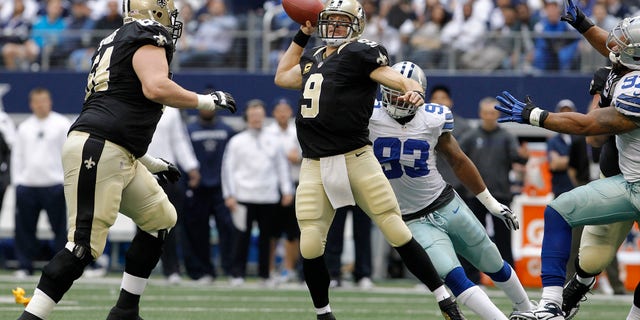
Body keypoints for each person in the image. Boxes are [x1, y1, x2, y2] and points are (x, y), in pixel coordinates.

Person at [13, 0, 236, 319]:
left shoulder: (114, 40)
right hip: (100, 148)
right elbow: (155, 87)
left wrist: (147, 161)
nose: (173, 19)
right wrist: (206, 101)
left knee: (160, 220)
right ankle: (31, 317)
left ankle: (125, 310)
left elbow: (117, 108)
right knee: (82, 247)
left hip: (115, 149)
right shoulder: (148, 32)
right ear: (157, 9)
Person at [273, 0, 465, 319]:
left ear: (356, 25)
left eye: (341, 21)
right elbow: (282, 76)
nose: (333, 26)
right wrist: (301, 34)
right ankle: (324, 313)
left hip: (355, 157)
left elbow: (394, 77)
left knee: (395, 229)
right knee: (309, 242)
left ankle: (444, 298)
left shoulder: (361, 52)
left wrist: (413, 88)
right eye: (329, 20)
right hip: (314, 162)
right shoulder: (314, 57)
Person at [495, 14, 640, 320]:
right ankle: (550, 306)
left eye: (625, 43)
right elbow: (611, 47)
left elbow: (591, 128)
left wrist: (535, 115)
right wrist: (583, 24)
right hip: (630, 182)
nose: (614, 45)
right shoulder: (629, 71)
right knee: (559, 210)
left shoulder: (634, 89)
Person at [370, 60, 534, 319]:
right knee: (454, 276)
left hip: (446, 203)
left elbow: (458, 160)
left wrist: (490, 202)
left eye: (404, 93)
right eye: (392, 93)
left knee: (493, 262)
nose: (399, 100)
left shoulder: (433, 117)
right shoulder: (369, 117)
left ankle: (526, 310)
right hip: (410, 218)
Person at [222, 99, 294, 287]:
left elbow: (282, 167)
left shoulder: (274, 140)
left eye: (259, 115)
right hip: (243, 197)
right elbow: (228, 169)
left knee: (266, 238)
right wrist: (228, 195)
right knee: (241, 238)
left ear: (264, 117)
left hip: (268, 197)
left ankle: (265, 275)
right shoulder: (237, 141)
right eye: (253, 115)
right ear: (247, 117)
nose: (256, 118)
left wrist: (287, 190)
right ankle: (237, 274)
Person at [457, 97, 528, 284]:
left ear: (497, 115)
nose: (489, 117)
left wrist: (523, 157)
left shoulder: (506, 137)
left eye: (493, 113)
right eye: (486, 113)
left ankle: (510, 280)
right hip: (475, 196)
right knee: (472, 239)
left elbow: (518, 158)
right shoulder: (470, 136)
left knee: (504, 240)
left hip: (501, 195)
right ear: (480, 114)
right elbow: (456, 157)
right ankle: (472, 279)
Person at [12, 87, 70, 278]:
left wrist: (65, 181)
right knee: (24, 229)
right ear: (31, 104)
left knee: (61, 229)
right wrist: (18, 183)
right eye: (37, 101)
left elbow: (68, 154)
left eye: (44, 100)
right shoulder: (24, 127)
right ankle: (24, 265)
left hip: (54, 185)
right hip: (28, 186)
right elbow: (17, 157)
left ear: (49, 101)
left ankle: (63, 267)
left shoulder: (61, 124)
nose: (40, 105)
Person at [146, 106, 201, 285]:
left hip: (165, 173)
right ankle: (141, 269)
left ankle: (172, 269)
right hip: (138, 172)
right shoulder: (131, 101)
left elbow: (179, 141)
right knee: (141, 225)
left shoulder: (171, 111)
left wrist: (191, 166)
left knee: (167, 224)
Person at [184, 106, 236, 282]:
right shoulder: (189, 130)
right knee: (199, 232)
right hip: (198, 189)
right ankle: (204, 271)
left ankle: (230, 269)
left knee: (228, 229)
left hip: (222, 189)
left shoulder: (227, 130)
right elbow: (183, 155)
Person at [264, 98, 302, 284]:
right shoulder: (267, 133)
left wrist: (298, 156)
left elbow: (305, 154)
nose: (282, 114)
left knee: (292, 231)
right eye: (279, 111)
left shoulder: (297, 132)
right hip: (273, 185)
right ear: (274, 113)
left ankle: (289, 269)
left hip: (295, 183)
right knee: (272, 231)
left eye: (286, 110)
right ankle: (270, 269)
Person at [325, 205, 373, 289]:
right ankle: (333, 274)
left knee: (363, 230)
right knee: (334, 229)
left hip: (362, 191)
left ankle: (363, 274)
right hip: (337, 193)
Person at [547, 99, 577, 198]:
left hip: (579, 191)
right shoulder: (553, 141)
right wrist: (577, 160)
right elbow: (554, 165)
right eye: (562, 112)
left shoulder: (581, 139)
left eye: (569, 112)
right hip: (560, 191)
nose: (566, 115)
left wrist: (562, 160)